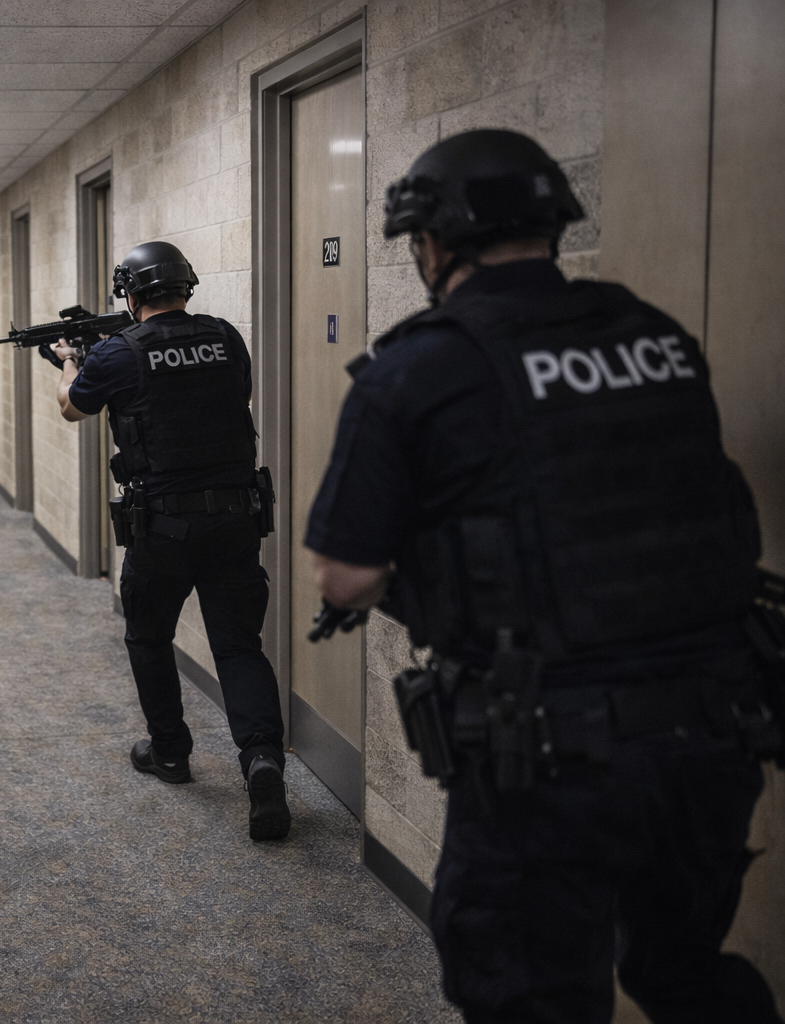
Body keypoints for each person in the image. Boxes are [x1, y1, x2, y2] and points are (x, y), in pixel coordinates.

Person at [305, 128, 781, 1023]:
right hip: (714, 729)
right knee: (686, 972)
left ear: (433, 242)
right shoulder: (653, 333)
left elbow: (345, 578)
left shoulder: (416, 368)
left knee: (531, 995)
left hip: (550, 754)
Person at [49, 241, 291, 841]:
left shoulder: (117, 352)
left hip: (162, 527)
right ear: (186, 286)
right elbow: (238, 397)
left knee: (149, 637)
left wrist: (69, 362)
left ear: (131, 295)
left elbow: (72, 408)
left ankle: (171, 753)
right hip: (235, 518)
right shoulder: (226, 337)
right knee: (240, 647)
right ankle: (262, 759)